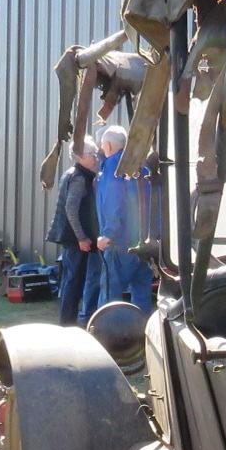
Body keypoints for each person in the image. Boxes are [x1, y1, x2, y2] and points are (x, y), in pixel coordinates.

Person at [88, 124, 156, 316]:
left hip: (119, 244)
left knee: (110, 297)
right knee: (142, 295)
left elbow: (113, 200)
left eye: (102, 146)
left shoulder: (112, 165)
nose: (101, 150)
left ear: (108, 146)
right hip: (144, 243)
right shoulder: (142, 166)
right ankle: (142, 336)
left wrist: (108, 234)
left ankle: (108, 337)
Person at [45, 145, 99, 326]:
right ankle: (67, 323)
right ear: (81, 156)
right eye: (92, 154)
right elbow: (70, 208)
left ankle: (67, 321)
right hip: (76, 239)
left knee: (72, 279)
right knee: (73, 281)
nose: (95, 157)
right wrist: (81, 237)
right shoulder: (78, 178)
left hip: (72, 237)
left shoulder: (71, 173)